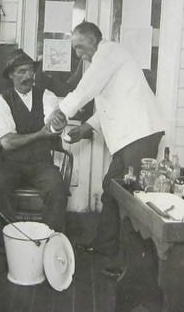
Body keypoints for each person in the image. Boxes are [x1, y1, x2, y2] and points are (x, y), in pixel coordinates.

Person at [50, 21, 165, 279]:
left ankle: (130, 265)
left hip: (140, 135)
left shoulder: (109, 53)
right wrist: (85, 128)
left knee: (132, 201)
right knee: (111, 188)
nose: (78, 54)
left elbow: (87, 88)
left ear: (93, 39)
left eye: (80, 47)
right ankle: (105, 246)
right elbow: (109, 103)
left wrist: (61, 112)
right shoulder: (106, 61)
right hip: (131, 137)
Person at [0, 49, 69, 273]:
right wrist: (40, 134)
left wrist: (56, 122)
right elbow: (8, 143)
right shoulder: (1, 101)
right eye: (21, 71)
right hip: (12, 163)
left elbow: (53, 126)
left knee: (57, 188)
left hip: (41, 163)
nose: (27, 76)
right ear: (11, 75)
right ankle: (5, 250)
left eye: (30, 71)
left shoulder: (47, 95)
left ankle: (48, 247)